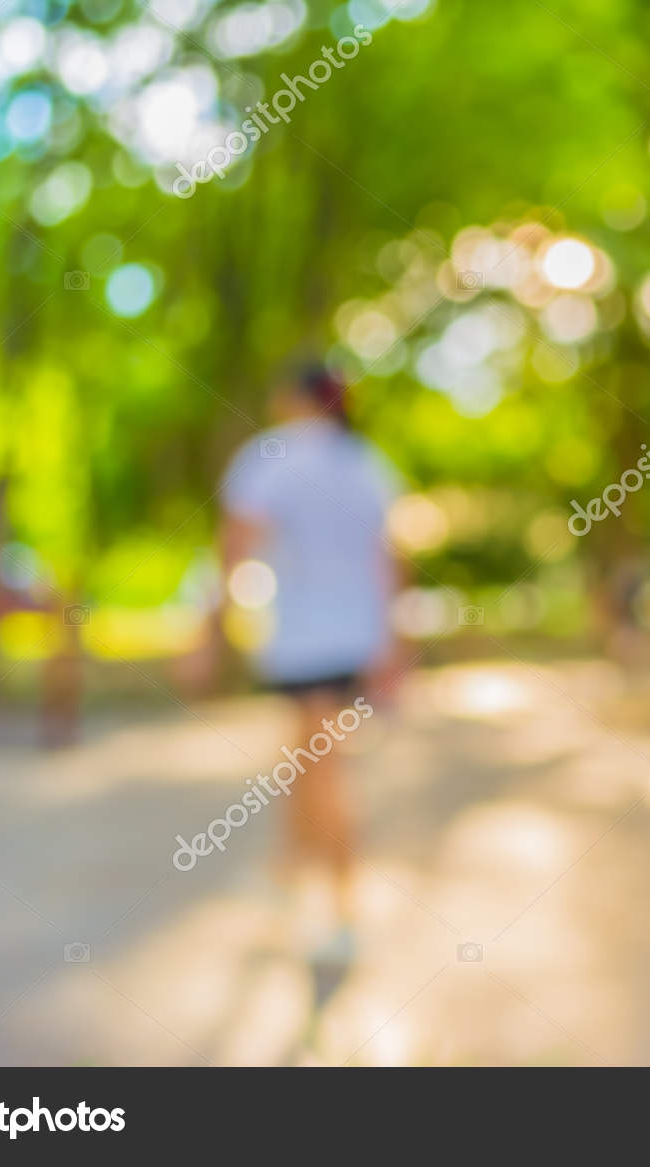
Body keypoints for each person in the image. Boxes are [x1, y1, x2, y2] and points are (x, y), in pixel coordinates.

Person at [215, 362, 402, 962]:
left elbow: (235, 544)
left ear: (296, 399)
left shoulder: (271, 457)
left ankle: (344, 912)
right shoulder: (367, 462)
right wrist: (395, 646)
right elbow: (389, 558)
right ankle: (287, 881)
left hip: (303, 642)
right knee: (303, 763)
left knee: (320, 771)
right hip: (355, 640)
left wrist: (209, 627)